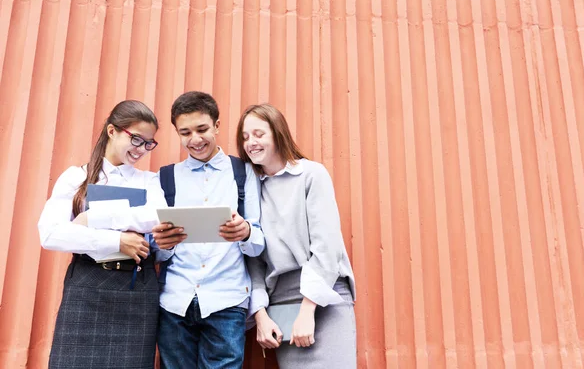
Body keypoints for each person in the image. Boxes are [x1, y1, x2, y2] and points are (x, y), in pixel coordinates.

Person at [38, 100, 166, 368]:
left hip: (137, 291)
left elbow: (157, 216)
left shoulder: (149, 181)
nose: (142, 149)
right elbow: (50, 234)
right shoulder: (76, 177)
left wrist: (94, 218)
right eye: (136, 139)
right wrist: (116, 240)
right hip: (87, 287)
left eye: (149, 143)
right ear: (112, 131)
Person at [236, 103, 357, 368]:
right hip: (280, 303)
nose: (250, 143)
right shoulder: (251, 190)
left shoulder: (311, 175)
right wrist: (260, 317)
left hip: (324, 297)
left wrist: (307, 310)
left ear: (278, 133)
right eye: (245, 137)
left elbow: (327, 247)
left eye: (259, 134)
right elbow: (252, 259)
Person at [151, 91, 265, 369]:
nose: (195, 139)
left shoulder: (244, 172)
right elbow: (156, 250)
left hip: (227, 299)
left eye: (202, 129)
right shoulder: (165, 178)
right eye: (185, 132)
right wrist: (163, 245)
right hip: (174, 301)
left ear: (216, 125)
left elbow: (260, 240)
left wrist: (246, 232)